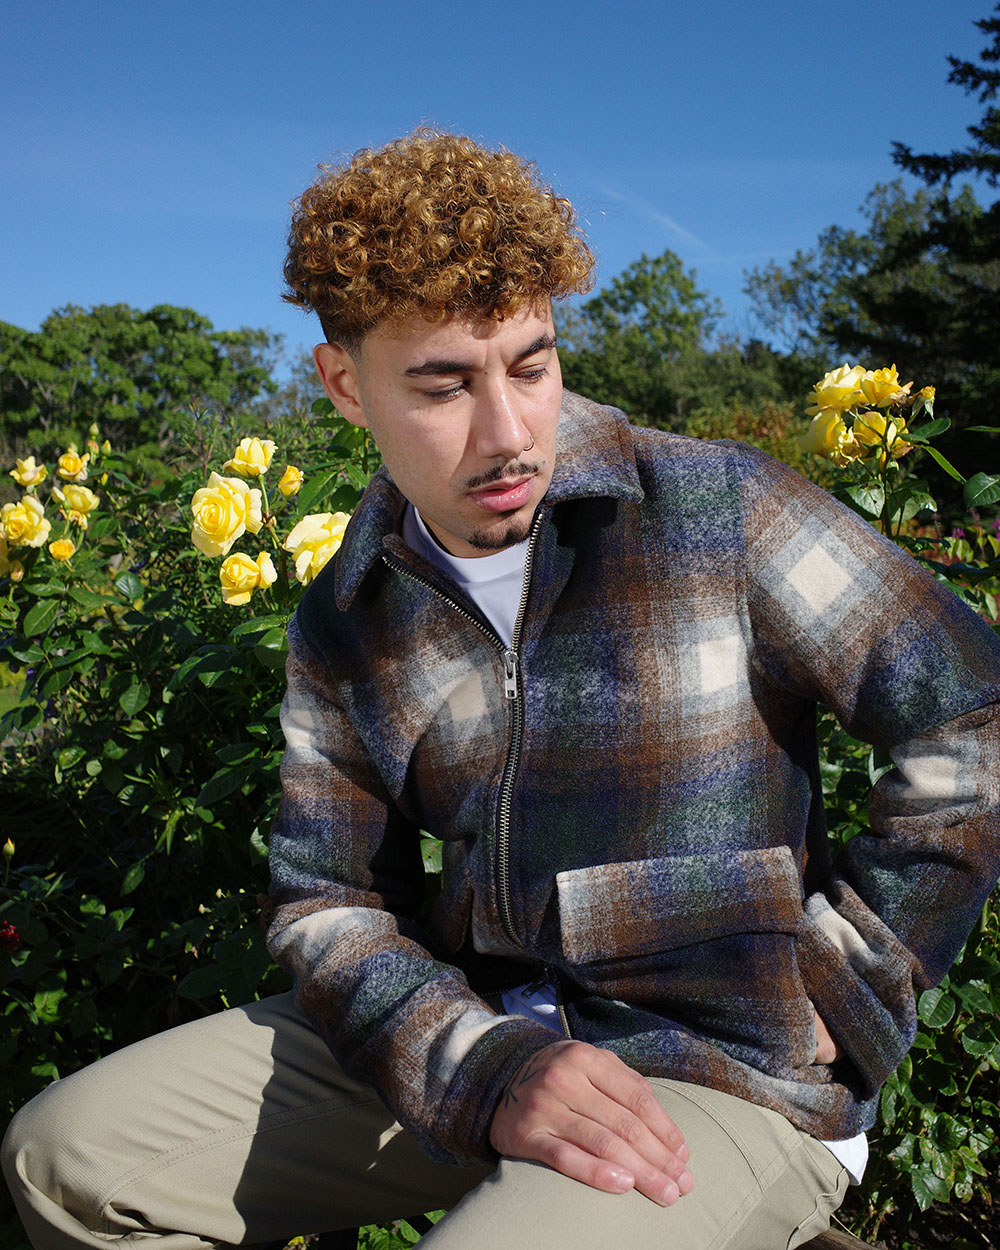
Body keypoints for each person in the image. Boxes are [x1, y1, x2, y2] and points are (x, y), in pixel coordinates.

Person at [4, 130, 1000, 1250]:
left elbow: (972, 709)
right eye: (444, 385)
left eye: (531, 366)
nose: (510, 431)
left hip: (729, 1070)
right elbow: (327, 901)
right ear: (344, 384)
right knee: (67, 1160)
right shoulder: (346, 614)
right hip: (476, 1042)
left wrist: (853, 978)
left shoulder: (718, 510)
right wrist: (481, 1064)